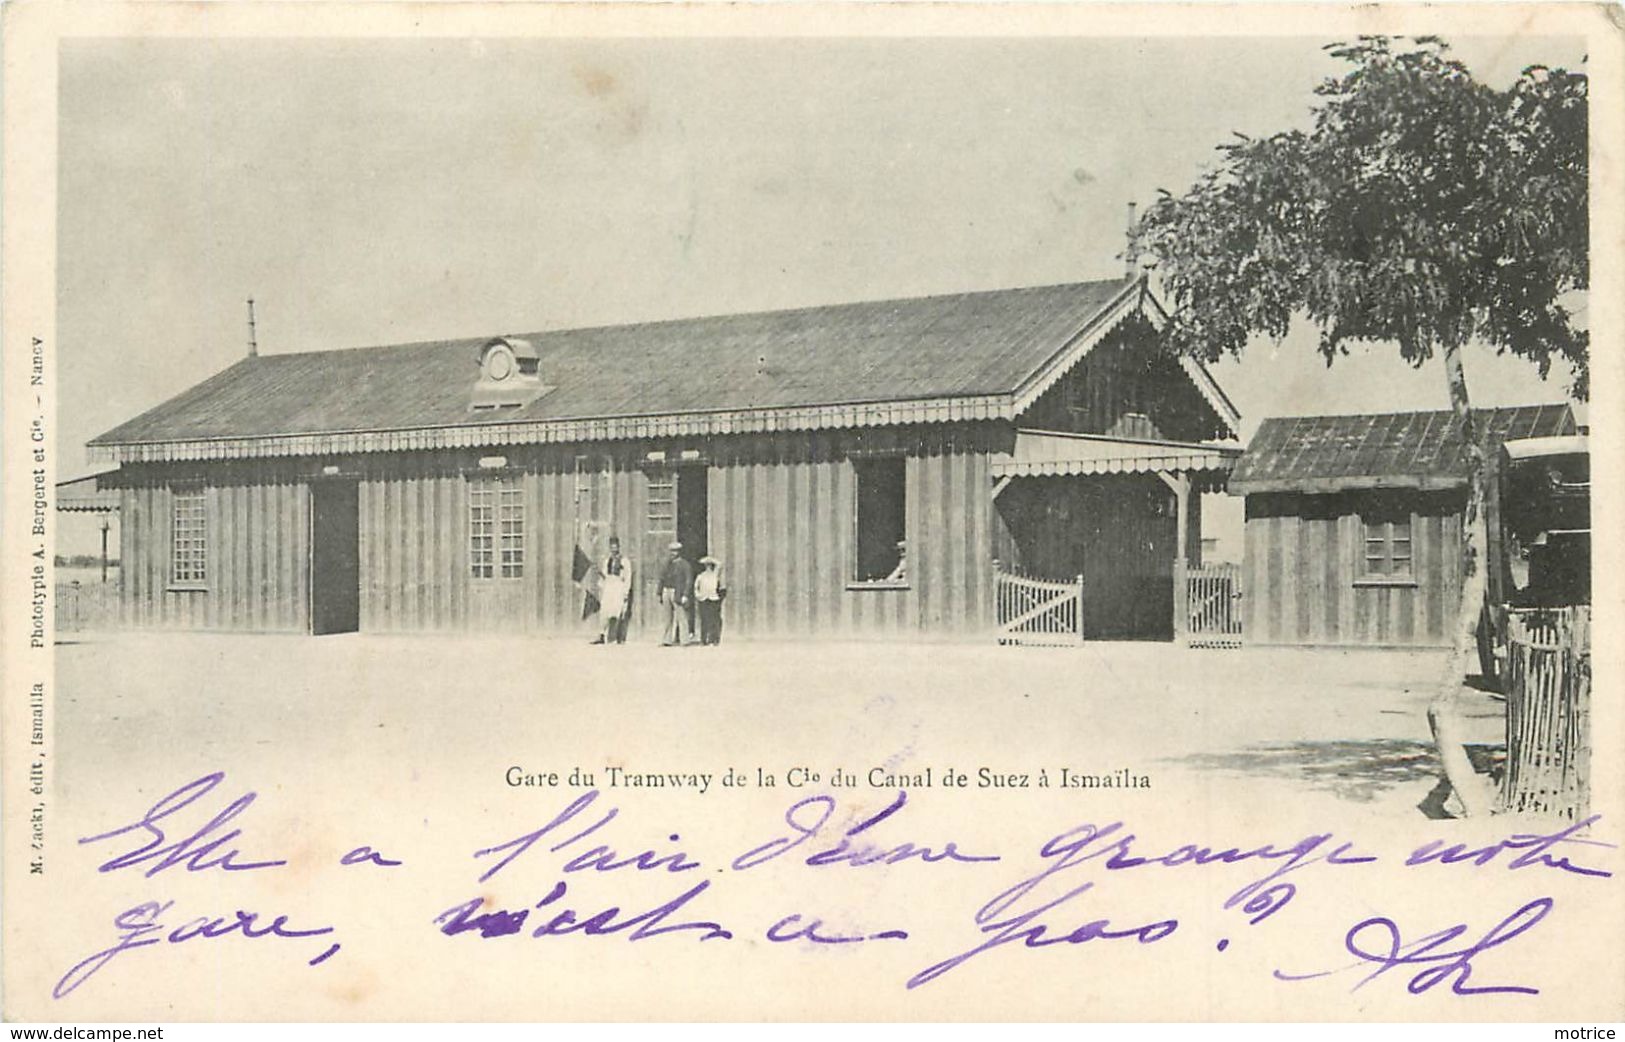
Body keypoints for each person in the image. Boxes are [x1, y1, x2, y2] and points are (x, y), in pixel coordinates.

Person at [595, 536, 633, 645]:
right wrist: (601, 586)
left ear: (619, 547)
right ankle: (602, 635)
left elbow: (628, 577)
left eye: (615, 547)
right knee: (605, 610)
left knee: (618, 610)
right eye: (612, 547)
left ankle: (618, 636)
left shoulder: (625, 561)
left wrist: (626, 592)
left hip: (619, 585)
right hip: (609, 585)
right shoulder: (607, 560)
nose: (613, 549)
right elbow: (604, 575)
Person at [657, 541, 694, 646]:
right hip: (666, 590)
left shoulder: (684, 564)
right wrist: (660, 592)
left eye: (675, 551)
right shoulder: (667, 564)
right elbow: (662, 578)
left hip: (677, 592)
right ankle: (667, 640)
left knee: (681, 616)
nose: (673, 553)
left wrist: (685, 595)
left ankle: (685, 640)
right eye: (671, 551)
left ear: (679, 552)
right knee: (667, 617)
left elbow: (688, 580)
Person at [695, 556, 726, 645]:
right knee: (704, 620)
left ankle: (714, 639)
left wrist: (711, 559)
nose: (708, 567)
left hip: (713, 598)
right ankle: (704, 640)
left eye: (710, 565)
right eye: (706, 565)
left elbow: (720, 564)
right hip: (704, 599)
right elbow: (696, 587)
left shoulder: (715, 575)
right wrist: (698, 595)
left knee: (714, 619)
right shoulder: (701, 576)